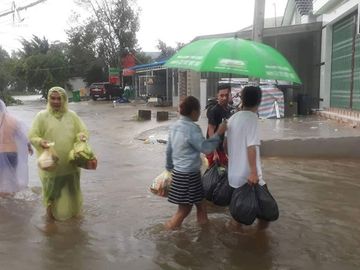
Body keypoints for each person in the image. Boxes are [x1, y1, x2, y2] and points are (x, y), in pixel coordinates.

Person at [165, 96, 227, 230]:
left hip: (179, 173)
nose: (200, 113)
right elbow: (206, 148)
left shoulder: (174, 127)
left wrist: (169, 168)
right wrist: (219, 133)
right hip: (189, 176)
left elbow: (168, 150)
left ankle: (204, 233)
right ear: (193, 112)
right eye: (199, 110)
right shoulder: (193, 128)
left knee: (201, 204)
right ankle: (167, 232)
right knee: (184, 210)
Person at [29, 86, 89, 222]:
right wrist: (40, 141)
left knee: (73, 192)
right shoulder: (41, 117)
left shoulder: (72, 116)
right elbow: (33, 136)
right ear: (48, 99)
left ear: (64, 99)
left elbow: (82, 131)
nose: (56, 101)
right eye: (52, 98)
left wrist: (81, 137)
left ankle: (75, 219)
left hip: (71, 164)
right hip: (51, 165)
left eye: (59, 98)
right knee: (51, 195)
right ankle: (50, 222)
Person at [226, 86, 269, 230]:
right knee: (266, 214)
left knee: (238, 215)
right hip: (249, 177)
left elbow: (225, 145)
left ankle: (235, 243)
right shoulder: (252, 118)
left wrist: (234, 158)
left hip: (234, 176)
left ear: (243, 99)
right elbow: (251, 146)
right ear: (259, 101)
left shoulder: (232, 118)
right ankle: (258, 241)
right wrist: (253, 172)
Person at [0, 99, 33, 197]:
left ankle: (3, 201)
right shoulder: (13, 120)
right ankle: (13, 196)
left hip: (0, 153)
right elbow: (23, 135)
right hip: (13, 152)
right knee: (13, 176)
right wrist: (29, 147)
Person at [206, 84, 232, 167]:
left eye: (226, 95)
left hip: (221, 147)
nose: (224, 98)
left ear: (230, 95)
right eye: (221, 95)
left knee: (225, 171)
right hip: (213, 149)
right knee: (214, 175)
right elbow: (210, 130)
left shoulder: (228, 109)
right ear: (217, 95)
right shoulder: (214, 110)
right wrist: (215, 153)